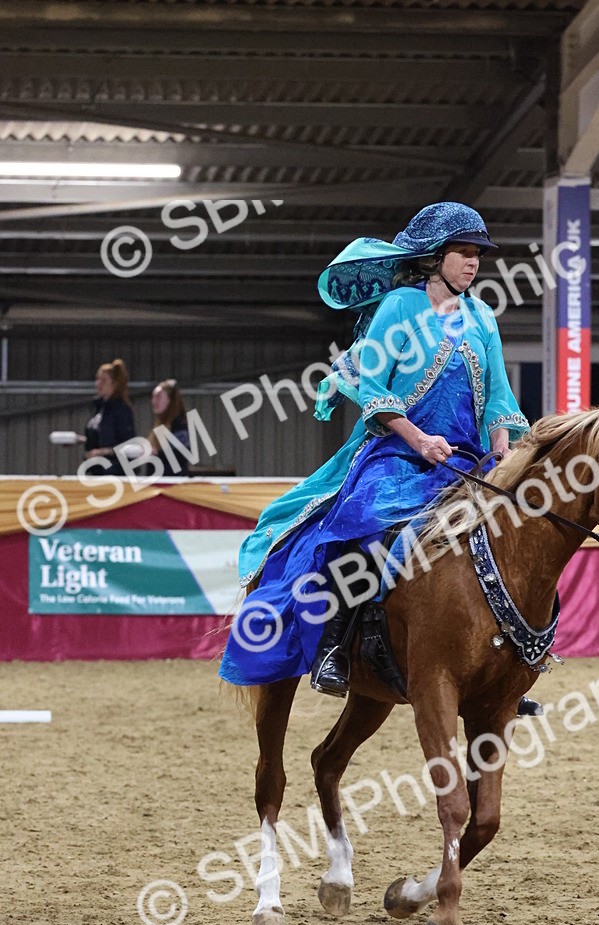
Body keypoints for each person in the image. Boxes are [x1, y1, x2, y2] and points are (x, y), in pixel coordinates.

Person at [219, 202, 530, 697]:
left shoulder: (483, 316)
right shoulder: (400, 307)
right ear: (435, 256)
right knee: (366, 526)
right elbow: (375, 391)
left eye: (478, 255)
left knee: (515, 532)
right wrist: (420, 440)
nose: (473, 263)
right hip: (397, 453)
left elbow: (498, 397)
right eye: (463, 252)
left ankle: (508, 663)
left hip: (466, 460)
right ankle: (334, 648)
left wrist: (501, 453)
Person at [83, 358, 136, 475]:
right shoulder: (100, 409)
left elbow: (128, 444)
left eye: (104, 380)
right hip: (97, 470)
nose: (98, 384)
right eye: (97, 380)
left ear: (115, 383)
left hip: (114, 472)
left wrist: (103, 452)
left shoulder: (121, 410)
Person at [146, 378, 191, 475]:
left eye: (158, 397)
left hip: (172, 484)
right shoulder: (160, 425)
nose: (153, 401)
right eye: (153, 397)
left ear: (170, 400)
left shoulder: (179, 425)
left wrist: (156, 453)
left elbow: (181, 454)